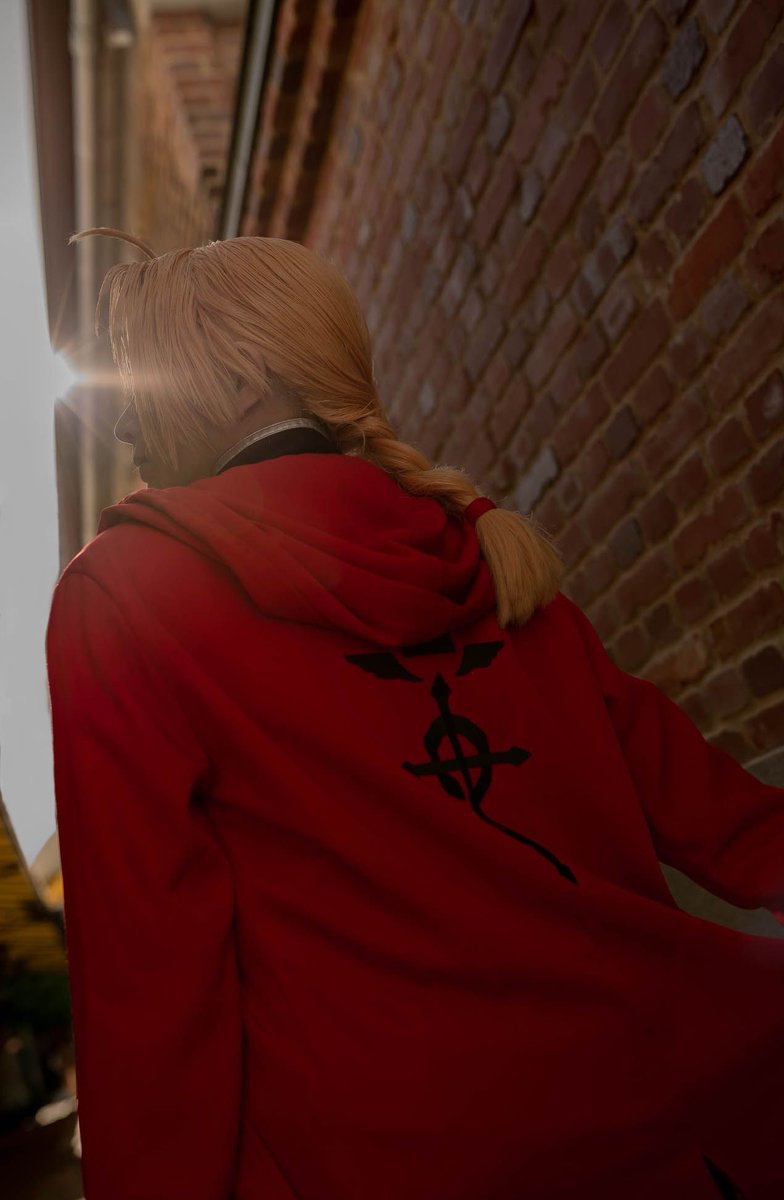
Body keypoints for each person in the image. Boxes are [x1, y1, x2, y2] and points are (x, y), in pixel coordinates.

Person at [47, 228, 784, 1200]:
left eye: (143, 378)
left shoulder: (122, 593)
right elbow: (724, 818)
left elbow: (150, 987)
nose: (122, 425)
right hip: (675, 1124)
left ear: (240, 380)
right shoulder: (484, 551)